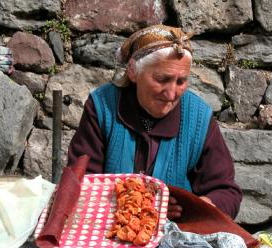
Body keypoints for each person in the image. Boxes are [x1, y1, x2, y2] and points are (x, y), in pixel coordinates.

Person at [67, 24, 242, 220]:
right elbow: (80, 184)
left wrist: (197, 207)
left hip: (175, 236)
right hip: (107, 232)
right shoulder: (102, 107)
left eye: (181, 81)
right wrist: (143, 207)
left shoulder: (199, 118)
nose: (171, 94)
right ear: (133, 71)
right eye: (161, 79)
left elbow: (226, 192)